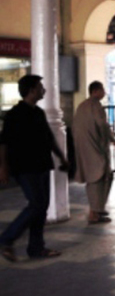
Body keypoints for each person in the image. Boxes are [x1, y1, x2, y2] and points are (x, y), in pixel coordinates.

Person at [0, 75, 69, 262]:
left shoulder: (39, 112)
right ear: (31, 90)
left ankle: (36, 248)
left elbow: (49, 139)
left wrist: (62, 157)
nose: (43, 90)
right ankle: (6, 239)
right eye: (40, 87)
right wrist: (3, 167)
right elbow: (4, 142)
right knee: (37, 204)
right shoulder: (14, 114)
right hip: (24, 167)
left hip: (42, 165)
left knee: (42, 206)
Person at [73, 81, 115, 225]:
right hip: (96, 147)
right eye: (102, 90)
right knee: (100, 177)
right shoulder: (96, 106)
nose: (104, 93)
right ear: (96, 91)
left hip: (83, 147)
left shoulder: (81, 106)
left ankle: (96, 210)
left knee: (94, 178)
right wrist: (112, 139)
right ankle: (95, 212)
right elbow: (102, 125)